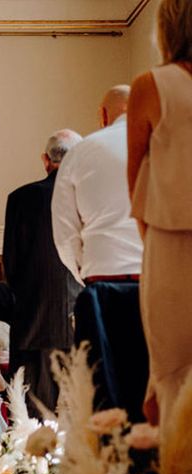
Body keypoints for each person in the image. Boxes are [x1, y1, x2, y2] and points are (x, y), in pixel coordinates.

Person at [52, 86, 148, 420]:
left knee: (102, 401)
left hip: (102, 293)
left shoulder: (81, 153)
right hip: (159, 287)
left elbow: (65, 235)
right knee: (158, 393)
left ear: (103, 115)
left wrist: (87, 274)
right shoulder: (164, 145)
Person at [128, 0, 192, 437]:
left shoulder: (152, 85)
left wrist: (153, 243)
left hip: (171, 246)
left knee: (171, 373)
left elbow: (135, 183)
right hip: (167, 241)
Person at [2, 130, 83, 410]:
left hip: (31, 322)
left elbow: (11, 265)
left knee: (32, 417)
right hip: (78, 321)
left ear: (45, 160)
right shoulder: (85, 196)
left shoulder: (20, 199)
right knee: (79, 413)